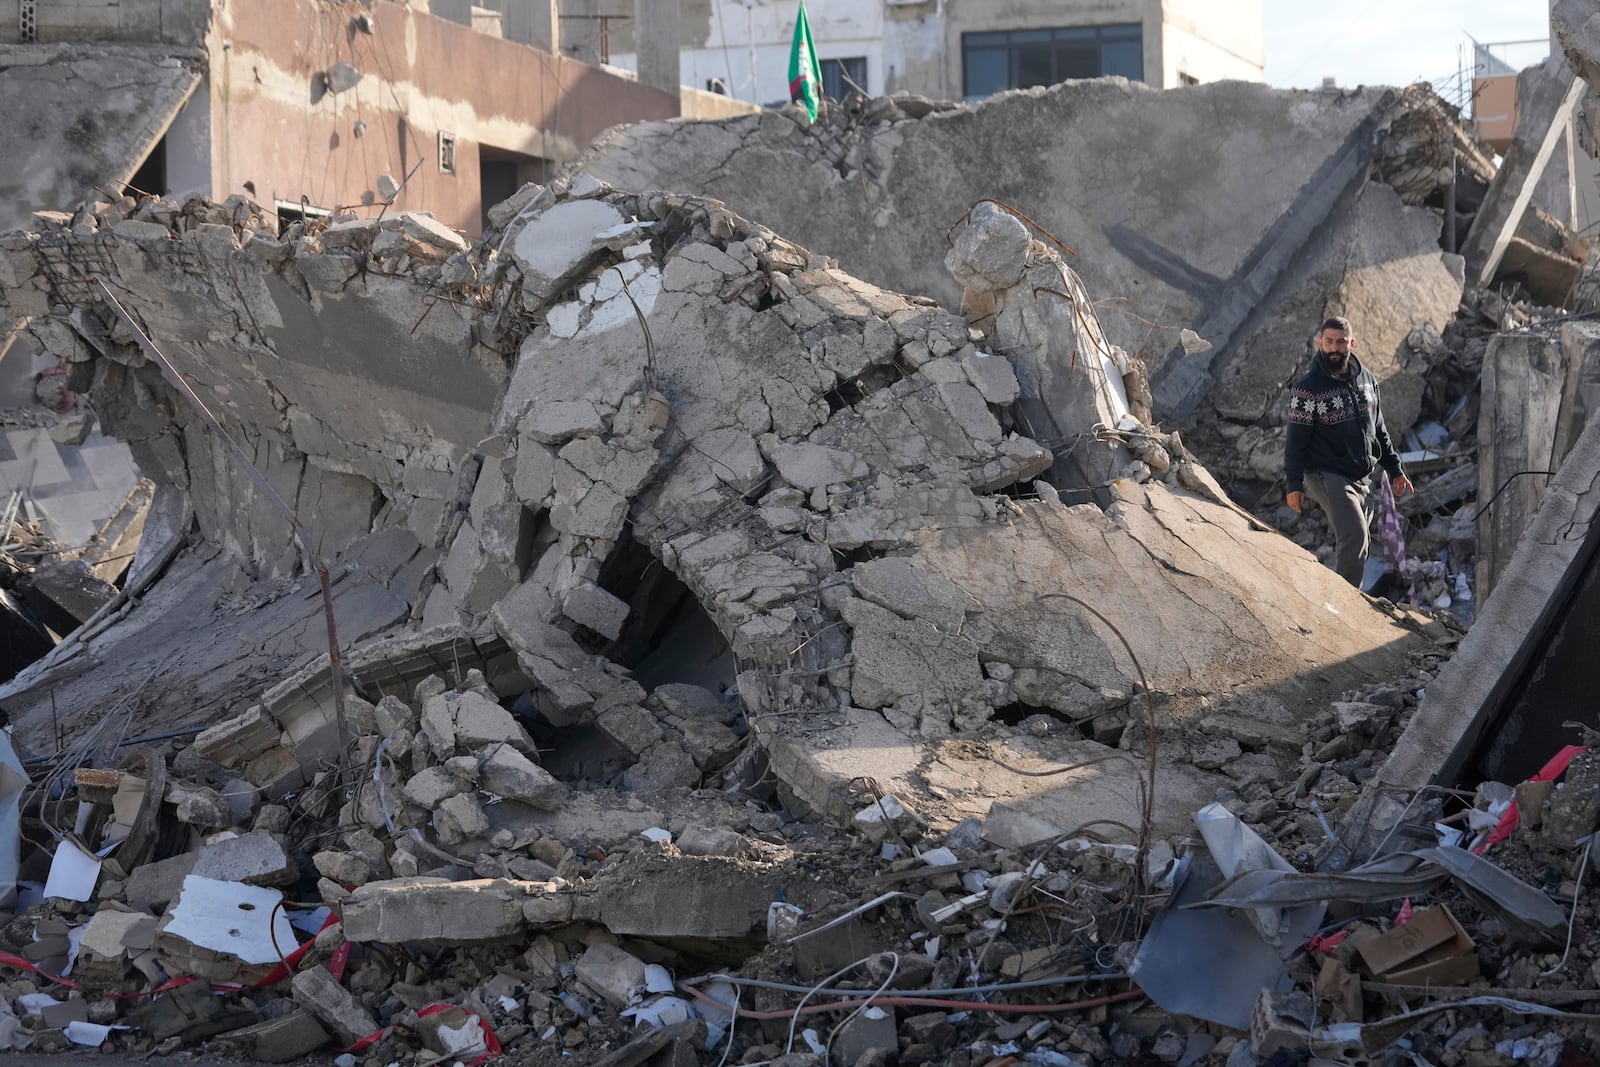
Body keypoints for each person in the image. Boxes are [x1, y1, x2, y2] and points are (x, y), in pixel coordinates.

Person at [1283, 316, 1413, 587]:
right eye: (1329, 342)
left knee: (1360, 540)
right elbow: (1295, 441)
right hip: (1326, 473)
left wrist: (1395, 468)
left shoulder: (1368, 381)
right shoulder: (1307, 389)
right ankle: (1345, 601)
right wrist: (1293, 484)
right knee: (1355, 534)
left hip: (1362, 476)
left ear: (1351, 343)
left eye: (1341, 342)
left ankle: (1341, 591)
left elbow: (1379, 429)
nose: (1334, 348)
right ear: (1320, 343)